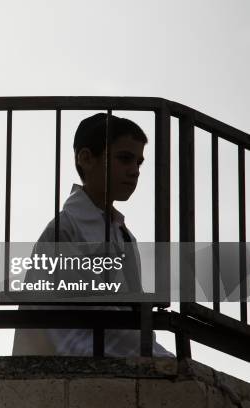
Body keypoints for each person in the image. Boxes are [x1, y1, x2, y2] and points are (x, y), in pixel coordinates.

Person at [12, 112, 172, 357]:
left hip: (120, 358)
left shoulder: (124, 236)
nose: (135, 171)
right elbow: (68, 329)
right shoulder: (64, 230)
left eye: (138, 163)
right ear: (86, 159)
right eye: (124, 159)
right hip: (68, 367)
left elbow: (133, 318)